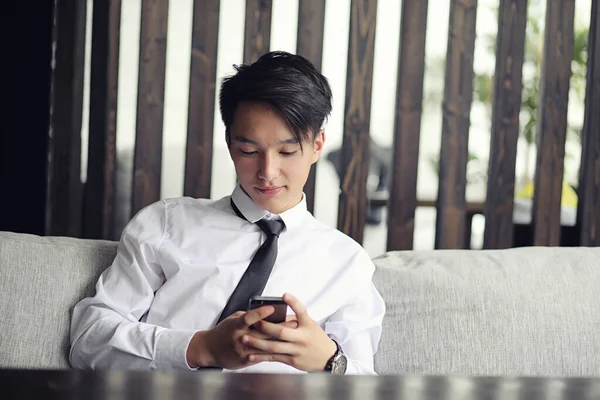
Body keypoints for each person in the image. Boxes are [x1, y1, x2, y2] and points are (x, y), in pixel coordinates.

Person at [69, 51, 385, 374]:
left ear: (317, 145)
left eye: (287, 151)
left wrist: (331, 362)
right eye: (249, 151)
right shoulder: (165, 225)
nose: (268, 172)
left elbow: (367, 382)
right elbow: (87, 339)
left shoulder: (347, 264)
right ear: (229, 142)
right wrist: (202, 347)